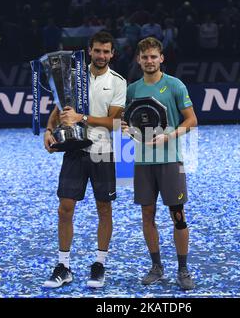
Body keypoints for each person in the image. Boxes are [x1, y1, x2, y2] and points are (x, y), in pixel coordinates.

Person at [43, 31, 127, 289]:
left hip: (103, 150)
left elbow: (115, 121)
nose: (102, 56)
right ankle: (63, 266)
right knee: (65, 207)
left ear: (112, 54)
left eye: (106, 51)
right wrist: (49, 130)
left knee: (104, 209)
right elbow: (60, 108)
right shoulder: (73, 76)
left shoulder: (118, 82)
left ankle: (99, 264)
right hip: (74, 149)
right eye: (97, 51)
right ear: (89, 51)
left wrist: (82, 118)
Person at [121, 37, 198, 290]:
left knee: (177, 216)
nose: (150, 61)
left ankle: (183, 269)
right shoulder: (132, 90)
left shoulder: (175, 85)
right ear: (138, 60)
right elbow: (127, 122)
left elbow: (191, 120)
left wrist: (169, 135)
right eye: (145, 57)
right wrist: (125, 130)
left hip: (170, 160)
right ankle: (156, 266)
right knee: (147, 215)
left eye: (154, 56)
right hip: (143, 162)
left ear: (161, 58)